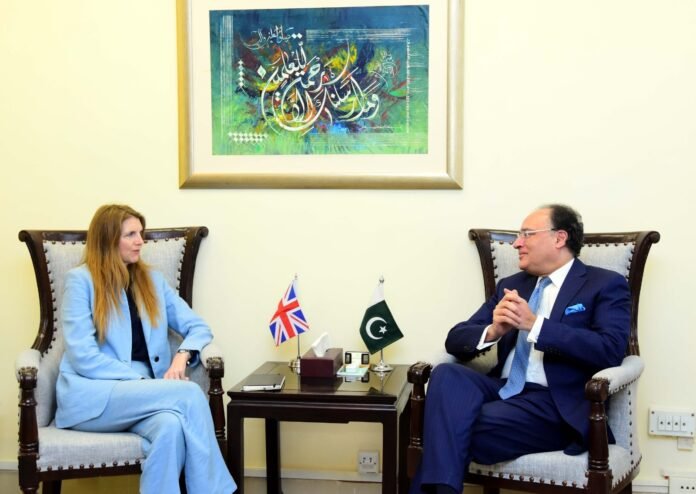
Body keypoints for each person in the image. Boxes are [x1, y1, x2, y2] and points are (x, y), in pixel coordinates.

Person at [410, 204, 631, 494]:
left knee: (447, 422)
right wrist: (493, 331)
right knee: (446, 375)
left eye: (527, 234)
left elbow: (610, 349)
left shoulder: (604, 284)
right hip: (504, 389)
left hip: (555, 403)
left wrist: (535, 325)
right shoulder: (512, 285)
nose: (516, 243)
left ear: (559, 238)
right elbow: (456, 339)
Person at [55, 204, 236, 494]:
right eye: (131, 234)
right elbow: (83, 356)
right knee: (189, 394)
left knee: (170, 427)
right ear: (108, 239)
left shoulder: (153, 281)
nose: (141, 241)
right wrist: (142, 382)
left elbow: (198, 327)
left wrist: (182, 356)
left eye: (141, 233)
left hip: (140, 397)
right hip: (94, 394)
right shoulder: (81, 280)